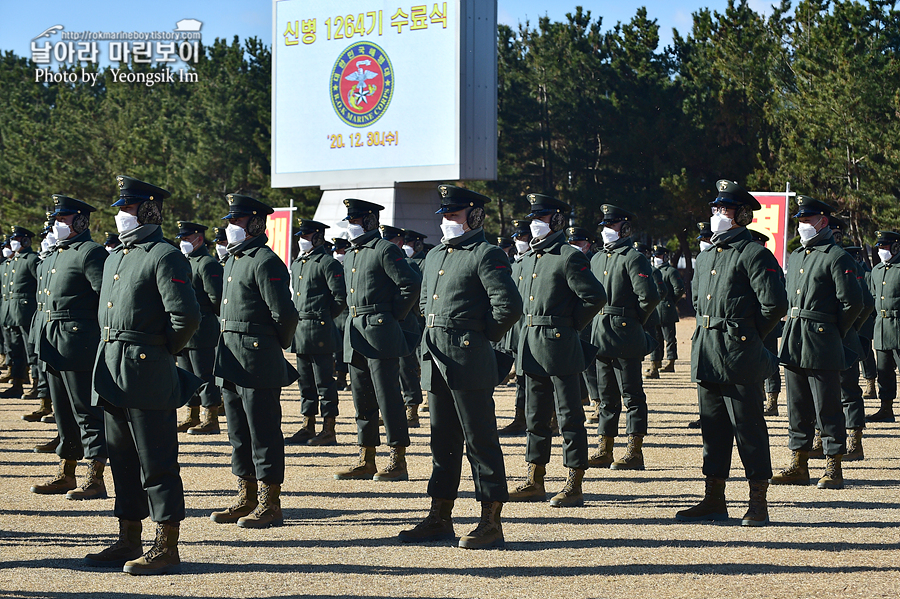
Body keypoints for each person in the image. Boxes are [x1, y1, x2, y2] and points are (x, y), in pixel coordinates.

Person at [85, 175, 201, 574]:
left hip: (146, 369)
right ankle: (128, 538)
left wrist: (158, 351)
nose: (121, 215)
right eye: (120, 208)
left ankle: (166, 545)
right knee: (121, 459)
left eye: (129, 208)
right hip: (113, 369)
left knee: (157, 462)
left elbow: (185, 317)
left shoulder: (164, 255)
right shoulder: (117, 255)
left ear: (150, 210)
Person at [398, 185, 522, 548]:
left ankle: (490, 520)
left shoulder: (486, 254)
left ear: (474, 216)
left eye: (454, 214)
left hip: (468, 359)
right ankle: (439, 517)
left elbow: (508, 306)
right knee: (443, 442)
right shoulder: (436, 254)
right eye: (445, 215)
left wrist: (478, 337)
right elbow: (424, 303)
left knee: (480, 442)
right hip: (437, 359)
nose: (447, 221)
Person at [675, 180, 787, 526]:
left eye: (722, 210)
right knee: (713, 430)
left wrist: (747, 337)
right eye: (714, 209)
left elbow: (774, 306)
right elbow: (699, 303)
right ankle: (714, 499)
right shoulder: (708, 254)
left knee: (749, 429)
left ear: (740, 215)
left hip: (738, 355)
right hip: (708, 352)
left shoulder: (754, 253)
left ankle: (758, 501)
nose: (716, 215)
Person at [507, 195, 606, 508]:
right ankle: (535, 479)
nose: (535, 221)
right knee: (535, 416)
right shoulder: (528, 259)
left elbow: (594, 296)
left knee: (569, 416)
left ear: (557, 221)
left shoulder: (568, 256)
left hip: (559, 343)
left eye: (542, 216)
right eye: (534, 216)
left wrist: (568, 326)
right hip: (531, 343)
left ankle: (573, 482)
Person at [210, 194, 299, 528]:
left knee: (263, 432)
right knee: (238, 432)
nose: (229, 227)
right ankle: (245, 496)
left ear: (256, 224)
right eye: (229, 221)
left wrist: (275, 347)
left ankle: (269, 502)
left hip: (256, 358)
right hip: (231, 355)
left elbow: (285, 313)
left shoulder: (264, 260)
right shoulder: (234, 259)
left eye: (236, 221)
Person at [771, 197, 862, 490]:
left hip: (821, 338)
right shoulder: (797, 255)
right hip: (795, 335)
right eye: (800, 220)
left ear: (823, 222)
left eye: (808, 220)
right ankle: (799, 464)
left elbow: (853, 302)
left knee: (828, 405)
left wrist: (833, 330)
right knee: (797, 405)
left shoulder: (836, 256)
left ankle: (833, 466)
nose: (802, 226)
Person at [333, 199, 421, 482]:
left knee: (388, 398)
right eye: (350, 222)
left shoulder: (384, 249)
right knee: (362, 399)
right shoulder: (353, 253)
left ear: (370, 221)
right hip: (356, 331)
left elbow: (410, 284)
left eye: (355, 221)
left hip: (379, 331)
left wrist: (392, 315)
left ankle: (397, 458)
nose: (351, 227)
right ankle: (366, 457)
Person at [29, 195, 108, 501]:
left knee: (86, 412)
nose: (56, 225)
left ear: (79, 221)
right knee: (63, 413)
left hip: (79, 342)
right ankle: (67, 471)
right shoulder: (52, 256)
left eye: (62, 220)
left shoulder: (90, 253)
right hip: (51, 341)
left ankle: (95, 475)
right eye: (56, 220)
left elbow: (105, 300)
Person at [588, 205, 660, 470]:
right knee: (606, 396)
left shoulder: (633, 257)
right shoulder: (597, 258)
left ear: (625, 229)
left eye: (612, 225)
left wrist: (632, 321)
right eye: (604, 225)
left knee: (631, 395)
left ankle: (634, 450)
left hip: (624, 333)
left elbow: (649, 296)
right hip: (600, 333)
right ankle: (604, 448)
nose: (606, 230)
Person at [285, 219, 346, 446]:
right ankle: (307, 425)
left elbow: (339, 298)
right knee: (305, 382)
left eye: (306, 236)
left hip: (319, 330)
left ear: (318, 237)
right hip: (301, 330)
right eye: (301, 236)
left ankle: (328, 428)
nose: (302, 240)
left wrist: (323, 316)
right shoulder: (298, 263)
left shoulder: (328, 263)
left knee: (324, 382)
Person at [173, 222, 223, 435]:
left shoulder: (206, 263)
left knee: (204, 376)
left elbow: (216, 298)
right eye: (181, 239)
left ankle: (211, 418)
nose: (182, 243)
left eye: (186, 239)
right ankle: (191, 416)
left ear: (198, 239)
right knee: (186, 374)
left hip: (202, 329)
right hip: (185, 330)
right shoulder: (184, 261)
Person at [381, 224, 425, 427]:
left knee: (407, 368)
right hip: (388, 323)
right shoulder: (382, 260)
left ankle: (412, 409)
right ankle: (393, 409)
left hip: (405, 321)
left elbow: (412, 292)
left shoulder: (409, 263)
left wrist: (403, 313)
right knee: (389, 370)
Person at [498, 219, 532, 436]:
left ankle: (552, 418)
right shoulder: (516, 263)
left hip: (535, 328)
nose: (519, 242)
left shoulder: (533, 261)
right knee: (521, 377)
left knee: (541, 378)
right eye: (517, 238)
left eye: (523, 237)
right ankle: (520, 418)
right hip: (518, 329)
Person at [0, 227, 40, 400]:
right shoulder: (12, 262)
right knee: (14, 349)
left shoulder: (31, 259)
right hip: (11, 312)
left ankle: (38, 384)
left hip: (26, 311)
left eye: (17, 239)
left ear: (26, 241)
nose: (13, 243)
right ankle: (17, 383)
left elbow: (40, 285)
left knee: (31, 351)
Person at [568, 226, 602, 423]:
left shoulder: (593, 262)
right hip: (571, 319)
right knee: (573, 363)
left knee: (590, 363)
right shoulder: (568, 259)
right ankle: (581, 399)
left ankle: (597, 401)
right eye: (571, 243)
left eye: (578, 243)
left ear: (588, 244)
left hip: (588, 319)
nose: (574, 246)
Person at [867, 230, 900, 423]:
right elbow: (872, 298)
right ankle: (886, 409)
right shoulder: (877, 270)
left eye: (885, 246)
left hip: (898, 326)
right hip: (881, 328)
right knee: (884, 373)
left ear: (895, 247)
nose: (881, 250)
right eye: (879, 247)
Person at [845, 246, 877, 402]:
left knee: (866, 353)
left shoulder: (866, 274)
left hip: (862, 319)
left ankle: (870, 382)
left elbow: (870, 298)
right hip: (849, 320)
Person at [650, 244, 685, 373]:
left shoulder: (670, 271)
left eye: (659, 255)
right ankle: (657, 362)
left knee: (669, 338)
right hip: (655, 309)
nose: (657, 258)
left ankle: (670, 362)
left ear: (665, 257)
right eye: (655, 256)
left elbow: (679, 289)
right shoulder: (653, 270)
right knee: (656, 338)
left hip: (666, 309)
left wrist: (671, 301)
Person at [636, 242, 667, 380]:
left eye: (642, 252)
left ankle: (654, 367)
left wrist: (649, 304)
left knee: (652, 338)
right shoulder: (633, 268)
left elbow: (662, 291)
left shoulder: (653, 271)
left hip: (649, 311)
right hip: (636, 312)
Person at [331, 237, 351, 392]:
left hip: (349, 313)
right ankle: (341, 377)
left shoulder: (350, 265)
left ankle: (348, 377)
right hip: (337, 315)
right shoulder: (333, 267)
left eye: (340, 251)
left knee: (350, 349)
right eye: (336, 251)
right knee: (338, 350)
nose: (337, 254)